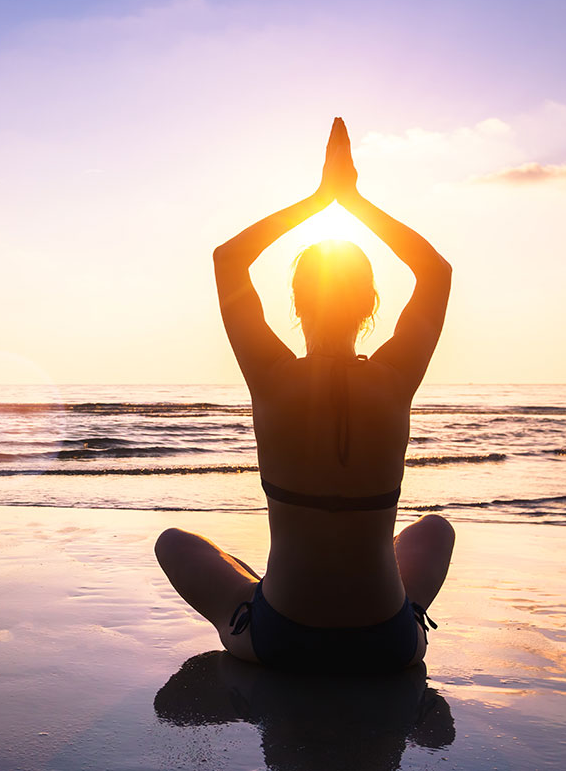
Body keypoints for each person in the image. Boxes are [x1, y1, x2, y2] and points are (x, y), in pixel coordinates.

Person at [155, 117, 455, 673]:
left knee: (175, 542)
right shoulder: (395, 378)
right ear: (370, 307)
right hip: (386, 645)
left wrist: (319, 199)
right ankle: (407, 611)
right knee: (435, 529)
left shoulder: (271, 377)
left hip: (283, 640)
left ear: (295, 304)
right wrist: (354, 200)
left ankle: (251, 600)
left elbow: (228, 260)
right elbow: (435, 273)